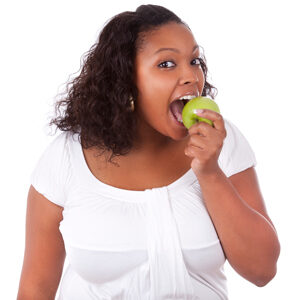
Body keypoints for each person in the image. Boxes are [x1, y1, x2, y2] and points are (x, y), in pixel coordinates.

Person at [17, 4, 280, 300]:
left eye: (194, 60)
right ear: (126, 79)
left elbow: (262, 271)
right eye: (166, 64)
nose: (191, 77)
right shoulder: (66, 157)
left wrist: (210, 172)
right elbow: (35, 289)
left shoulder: (221, 142)